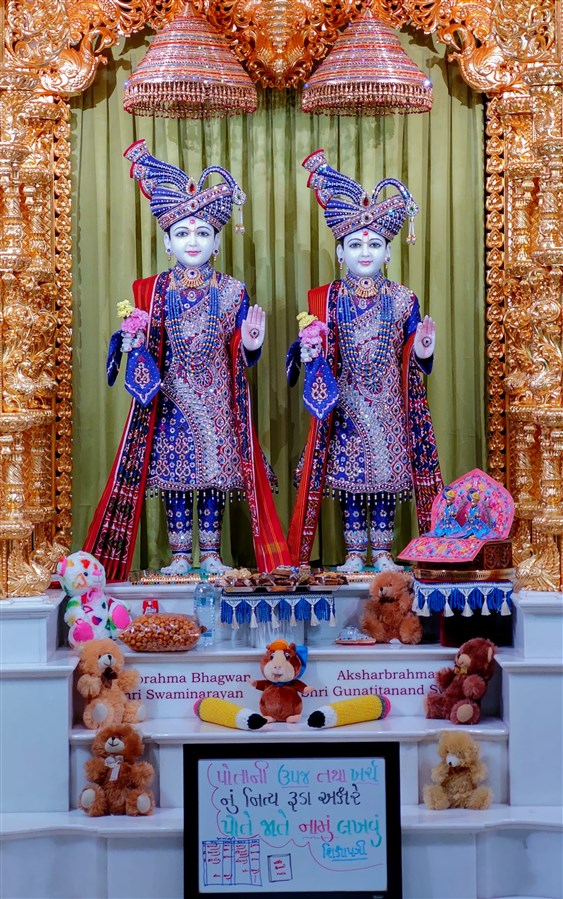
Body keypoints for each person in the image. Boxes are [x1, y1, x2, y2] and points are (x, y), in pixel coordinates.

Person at [84, 140, 290, 581]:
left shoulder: (232, 290)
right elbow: (143, 347)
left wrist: (251, 343)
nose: (192, 241)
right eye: (182, 233)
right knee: (176, 479)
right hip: (171, 399)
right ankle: (180, 554)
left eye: (201, 233)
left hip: (217, 399)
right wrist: (132, 342)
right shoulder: (151, 290)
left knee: (213, 479)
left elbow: (240, 351)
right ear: (166, 241)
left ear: (216, 241)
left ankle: (211, 553)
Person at [287, 149, 442, 573]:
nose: (365, 252)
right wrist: (308, 352)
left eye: (375, 244)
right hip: (346, 403)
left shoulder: (404, 298)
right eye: (355, 244)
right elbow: (315, 350)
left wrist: (422, 351)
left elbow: (411, 353)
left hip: (389, 404)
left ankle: (384, 552)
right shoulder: (326, 298)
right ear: (340, 252)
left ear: (389, 252)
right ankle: (355, 553)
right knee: (351, 483)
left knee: (386, 482)